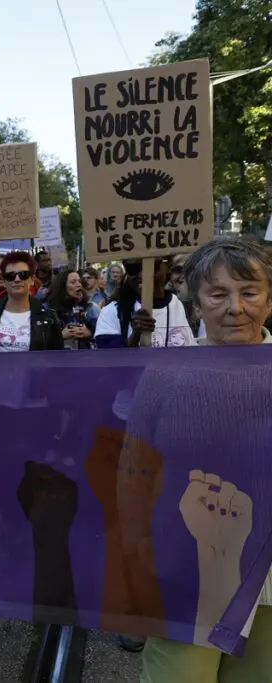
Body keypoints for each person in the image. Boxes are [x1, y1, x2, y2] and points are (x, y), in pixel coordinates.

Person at [135, 237, 272, 682]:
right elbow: (134, 468)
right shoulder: (163, 375)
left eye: (249, 292)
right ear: (195, 303)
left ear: (268, 299)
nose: (235, 307)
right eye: (218, 294)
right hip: (184, 573)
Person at [94, 258, 195, 349]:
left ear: (168, 267)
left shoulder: (176, 304)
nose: (142, 274)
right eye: (133, 268)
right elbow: (109, 363)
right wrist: (135, 335)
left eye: (153, 265)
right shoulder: (111, 312)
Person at [47, 269, 100, 350]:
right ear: (63, 287)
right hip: (58, 359)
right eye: (73, 282)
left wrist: (89, 333)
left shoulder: (90, 308)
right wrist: (61, 336)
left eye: (79, 281)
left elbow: (104, 335)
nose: (78, 285)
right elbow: (40, 341)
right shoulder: (49, 309)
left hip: (85, 358)